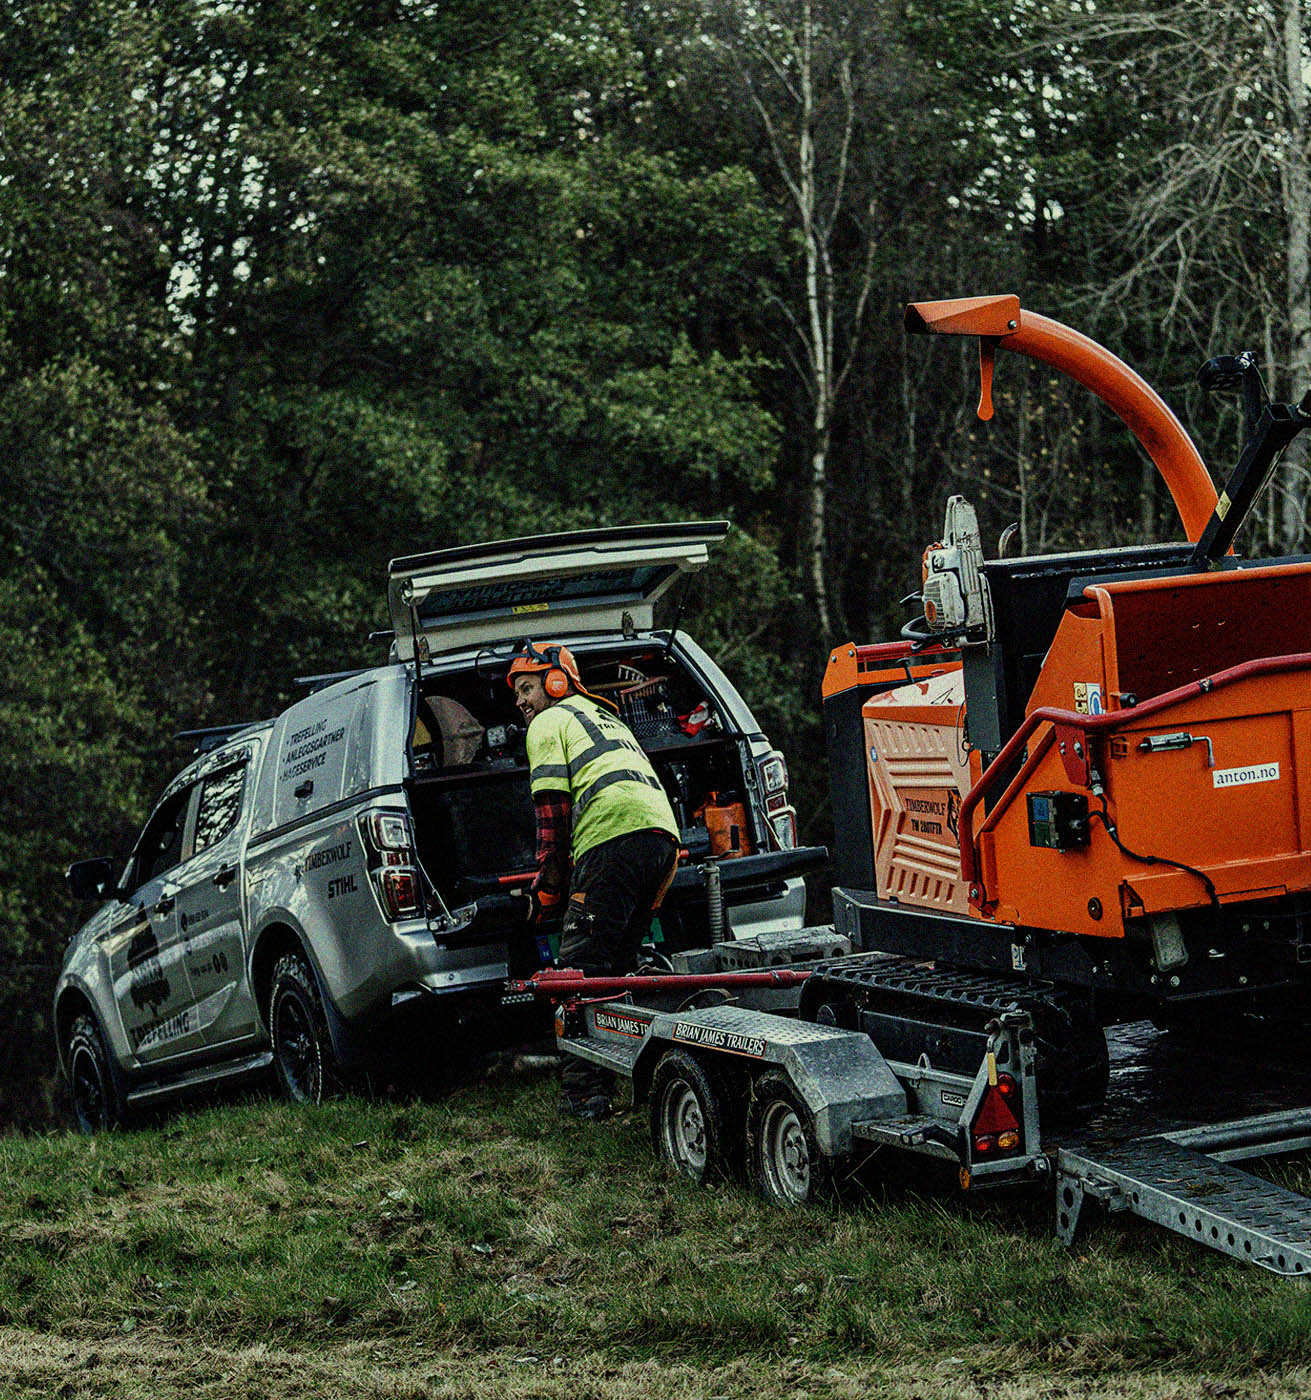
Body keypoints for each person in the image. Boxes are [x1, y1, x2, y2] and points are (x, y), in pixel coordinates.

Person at [508, 639, 680, 1120]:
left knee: (579, 971)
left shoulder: (547, 721)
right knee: (618, 966)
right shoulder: (607, 716)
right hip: (662, 840)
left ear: (556, 681)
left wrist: (549, 885)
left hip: (612, 838)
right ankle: (637, 1076)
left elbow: (552, 813)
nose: (521, 701)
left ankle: (584, 1096)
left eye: (526, 688)